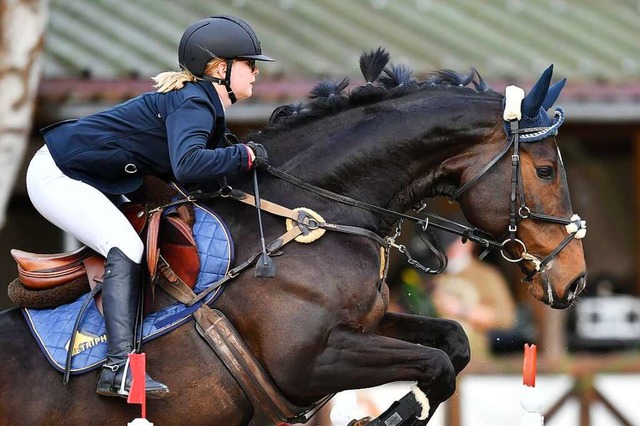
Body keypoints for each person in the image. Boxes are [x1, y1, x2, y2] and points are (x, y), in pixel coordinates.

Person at [25, 15, 273, 399]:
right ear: (221, 69)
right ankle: (117, 367)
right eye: (249, 64)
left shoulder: (199, 103)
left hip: (84, 174)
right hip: (57, 174)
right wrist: (243, 156)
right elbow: (188, 165)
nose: (256, 72)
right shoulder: (194, 102)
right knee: (126, 246)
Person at [431, 239, 516, 361]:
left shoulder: (487, 275)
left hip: (474, 359)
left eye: (455, 241)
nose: (450, 248)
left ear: (468, 243)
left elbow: (507, 318)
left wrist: (460, 309)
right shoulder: (432, 272)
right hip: (436, 359)